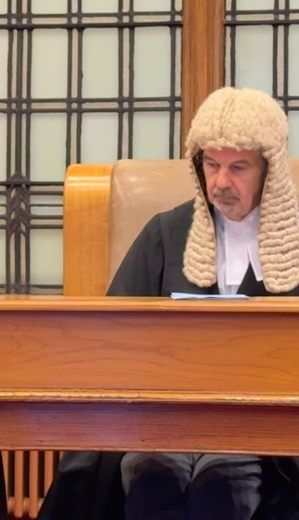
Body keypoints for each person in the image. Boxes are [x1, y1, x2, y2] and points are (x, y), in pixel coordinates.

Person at [37, 87, 299, 520]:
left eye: (238, 167)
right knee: (152, 479)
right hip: (162, 422)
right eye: (211, 165)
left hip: (259, 430)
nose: (221, 182)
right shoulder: (165, 233)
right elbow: (109, 336)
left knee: (220, 487)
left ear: (268, 170)